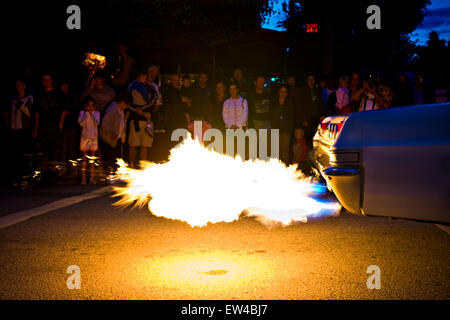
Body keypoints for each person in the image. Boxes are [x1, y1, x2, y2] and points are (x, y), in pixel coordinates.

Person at [5, 79, 33, 187]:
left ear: (24, 86)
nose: (17, 86)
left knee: (24, 154)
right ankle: (15, 178)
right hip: (14, 129)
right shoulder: (13, 98)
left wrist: (18, 103)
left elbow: (28, 112)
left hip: (24, 129)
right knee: (15, 155)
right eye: (16, 85)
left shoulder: (28, 98)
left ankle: (25, 178)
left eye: (19, 84)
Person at [127, 72, 154, 168]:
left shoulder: (150, 88)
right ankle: (131, 164)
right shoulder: (131, 88)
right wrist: (136, 110)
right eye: (141, 77)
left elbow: (152, 102)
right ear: (137, 78)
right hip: (135, 120)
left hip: (147, 120)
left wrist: (144, 112)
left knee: (145, 144)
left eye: (145, 77)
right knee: (133, 144)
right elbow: (127, 102)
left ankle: (142, 165)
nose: (143, 79)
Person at [33, 73, 63, 162]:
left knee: (54, 150)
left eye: (49, 79)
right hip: (42, 126)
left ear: (52, 81)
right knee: (41, 149)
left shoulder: (58, 94)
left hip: (54, 125)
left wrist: (60, 124)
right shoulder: (39, 94)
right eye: (45, 80)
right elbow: (37, 112)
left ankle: (53, 171)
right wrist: (35, 128)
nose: (47, 82)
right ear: (42, 81)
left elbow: (63, 110)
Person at [100, 92, 131, 173]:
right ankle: (109, 175)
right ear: (122, 102)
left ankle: (113, 174)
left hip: (116, 139)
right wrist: (112, 132)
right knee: (109, 159)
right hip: (109, 140)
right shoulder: (112, 109)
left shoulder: (120, 110)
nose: (127, 106)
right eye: (126, 104)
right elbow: (104, 124)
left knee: (115, 159)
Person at [57, 81, 79, 174]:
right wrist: (61, 124)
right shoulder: (60, 97)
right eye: (62, 85)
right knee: (63, 148)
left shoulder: (72, 97)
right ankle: (63, 168)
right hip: (65, 126)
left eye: (66, 85)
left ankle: (72, 168)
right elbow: (63, 112)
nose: (64, 87)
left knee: (71, 148)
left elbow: (67, 111)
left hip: (72, 125)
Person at [78, 96, 100, 185]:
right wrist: (86, 114)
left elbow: (97, 123)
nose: (90, 107)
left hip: (94, 137)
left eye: (92, 105)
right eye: (88, 105)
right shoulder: (82, 113)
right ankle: (83, 177)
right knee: (84, 158)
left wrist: (91, 114)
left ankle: (92, 177)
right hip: (85, 137)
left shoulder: (97, 113)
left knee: (92, 158)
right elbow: (81, 123)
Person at [271, 85, 295, 164]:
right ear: (278, 92)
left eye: (284, 92)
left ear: (287, 93)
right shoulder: (274, 102)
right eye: (281, 91)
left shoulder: (289, 102)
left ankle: (285, 166)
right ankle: (277, 166)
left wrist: (289, 129)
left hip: (286, 129)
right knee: (276, 149)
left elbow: (291, 116)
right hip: (276, 128)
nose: (283, 93)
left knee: (285, 150)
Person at [298, 74, 323, 147]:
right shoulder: (303, 91)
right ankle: (308, 156)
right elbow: (300, 106)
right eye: (309, 79)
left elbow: (320, 104)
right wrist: (303, 119)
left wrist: (321, 115)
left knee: (317, 137)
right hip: (307, 119)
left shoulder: (317, 90)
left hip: (317, 118)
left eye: (313, 79)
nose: (311, 81)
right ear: (307, 81)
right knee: (308, 139)